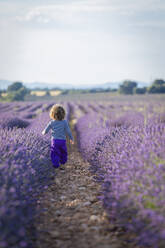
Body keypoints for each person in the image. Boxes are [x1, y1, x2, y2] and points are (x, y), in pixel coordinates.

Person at [42, 104, 74, 169]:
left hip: (54, 141)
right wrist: (71, 138)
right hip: (62, 141)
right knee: (63, 151)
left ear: (52, 114)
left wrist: (43, 133)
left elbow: (45, 131)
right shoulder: (64, 122)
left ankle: (56, 164)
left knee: (54, 152)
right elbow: (68, 131)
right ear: (63, 114)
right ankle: (63, 161)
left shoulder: (51, 122)